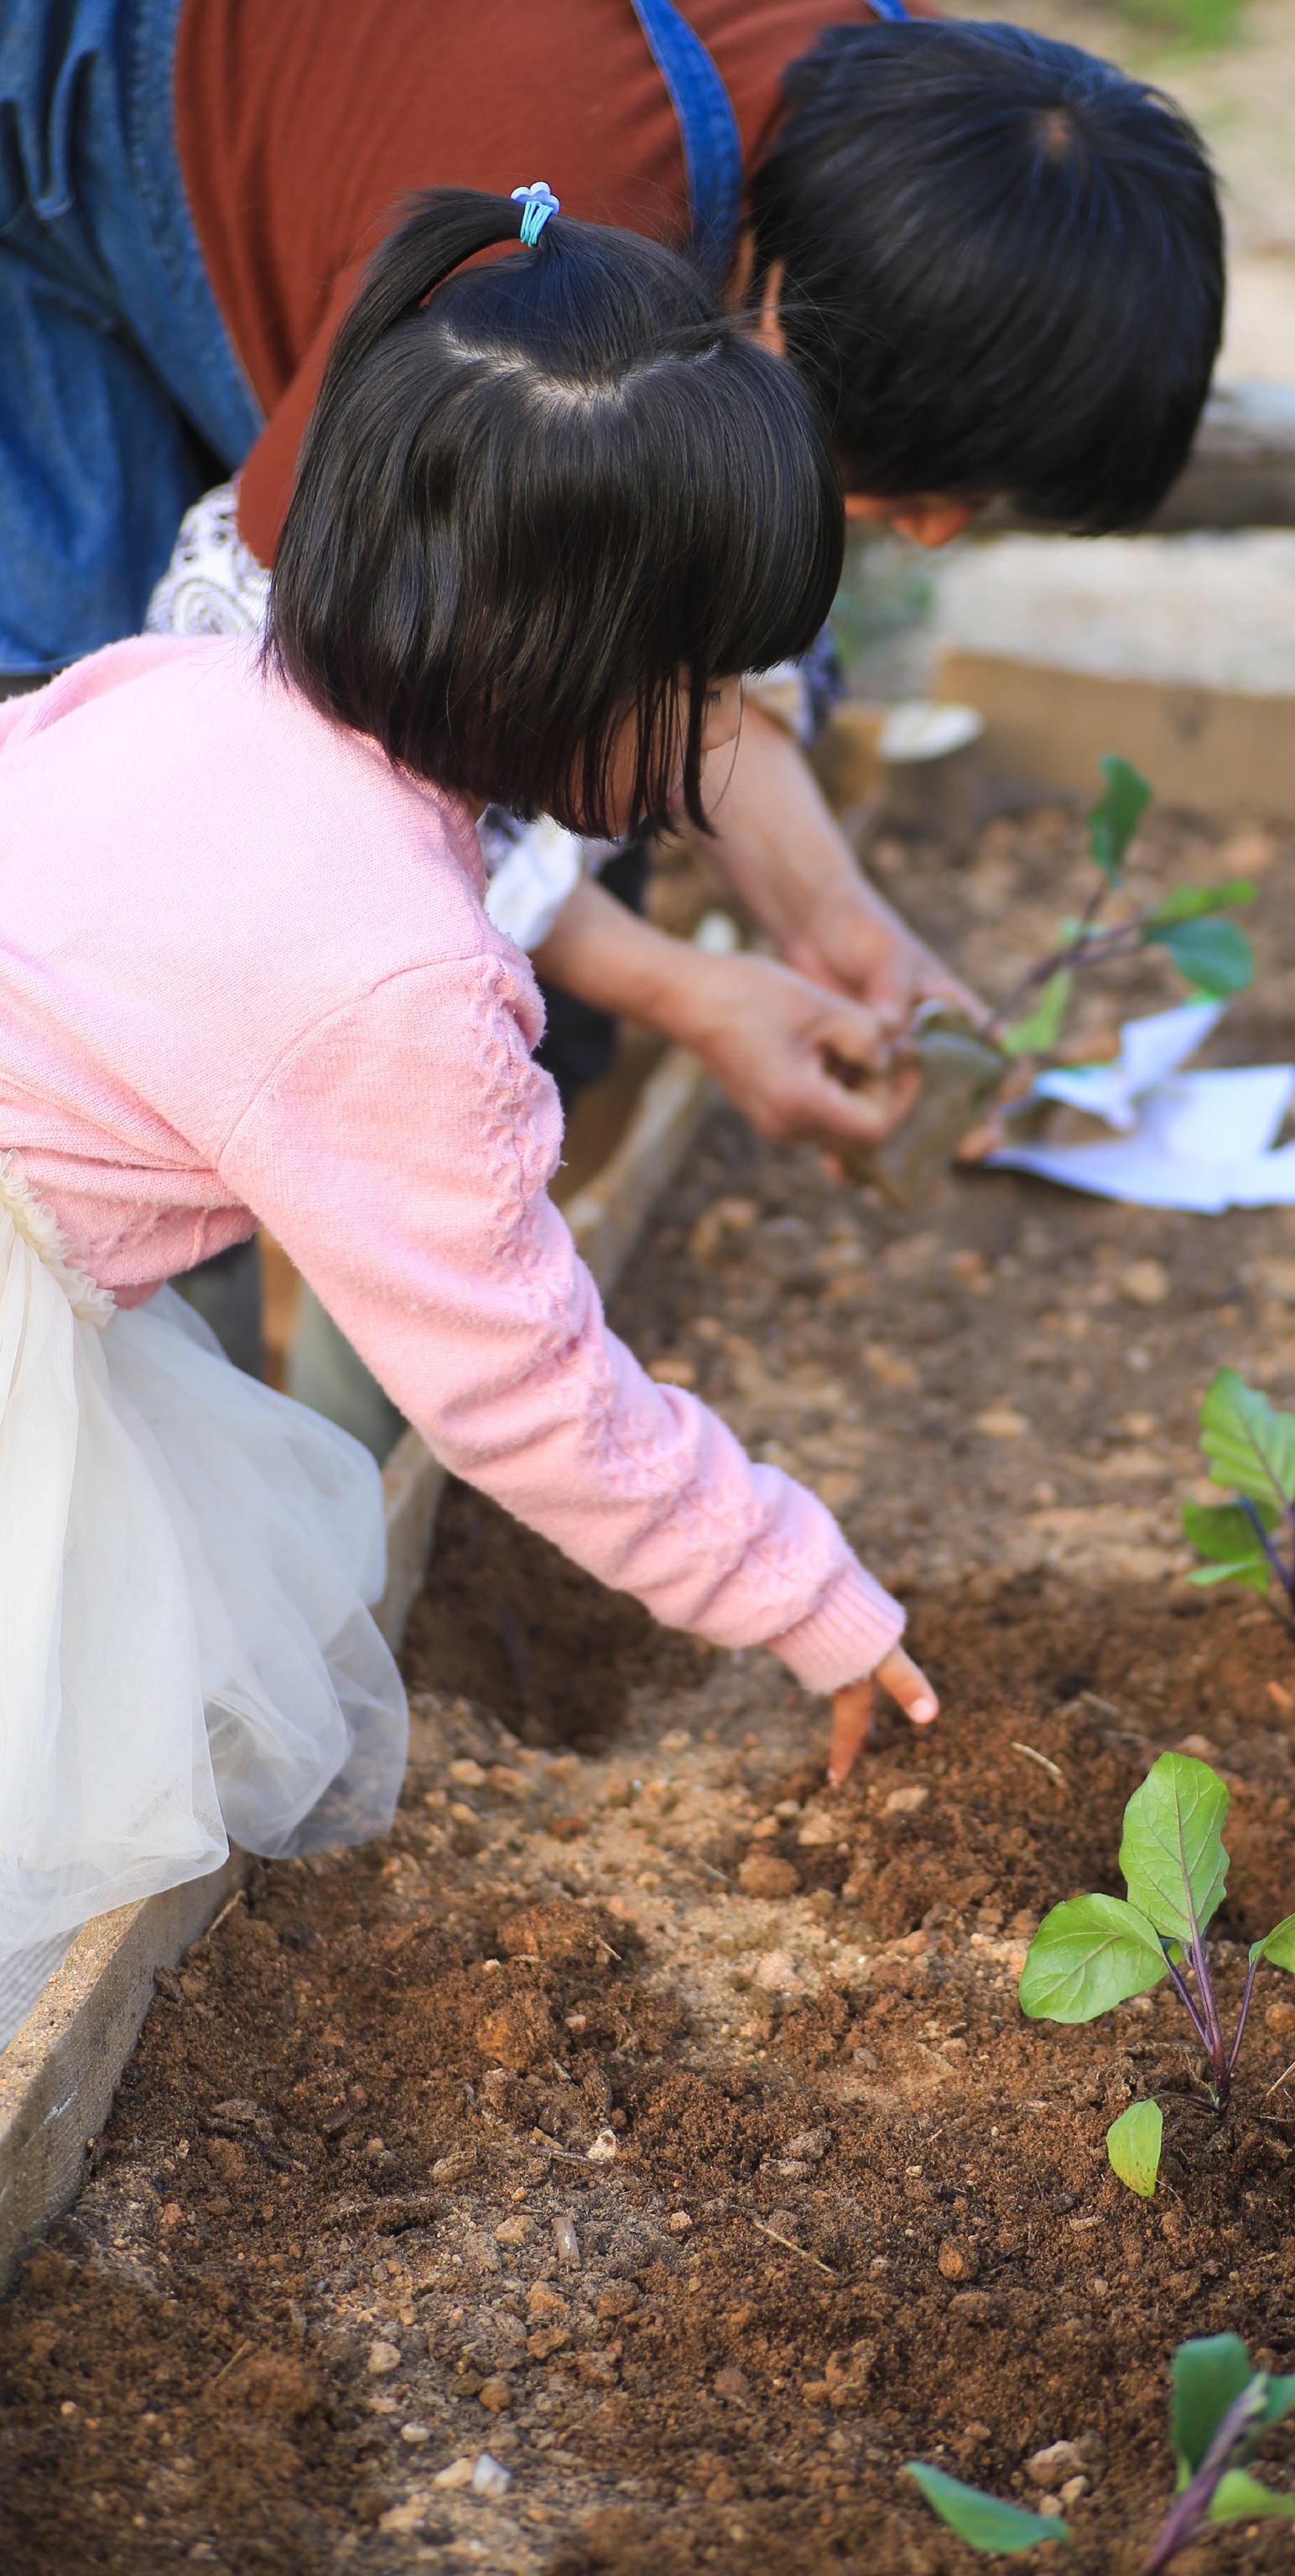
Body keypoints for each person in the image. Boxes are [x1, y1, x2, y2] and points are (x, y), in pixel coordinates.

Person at [0, 189, 935, 2048]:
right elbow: (523, 1387)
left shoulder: (192, 684)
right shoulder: (398, 986)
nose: (717, 732)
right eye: (702, 684)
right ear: (563, 677)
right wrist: (799, 1584)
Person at [1, 0, 1225, 1143]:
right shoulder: (531, 281)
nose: (939, 535)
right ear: (786, 328)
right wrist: (680, 991)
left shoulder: (927, 148)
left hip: (327, 116)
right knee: (123, 928)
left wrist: (820, 905)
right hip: (64, 90)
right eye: (918, 496)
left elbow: (687, 594)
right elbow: (283, 742)